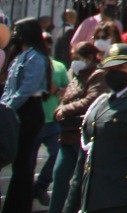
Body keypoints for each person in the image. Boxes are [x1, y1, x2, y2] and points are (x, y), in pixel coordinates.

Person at [66, 42, 127, 213]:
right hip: (94, 198)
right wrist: (70, 206)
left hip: (125, 199)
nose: (114, 72)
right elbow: (84, 160)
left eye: (121, 67)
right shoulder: (101, 103)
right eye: (110, 68)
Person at [3, 17, 52, 213]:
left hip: (28, 109)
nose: (13, 34)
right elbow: (10, 86)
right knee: (15, 159)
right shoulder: (20, 56)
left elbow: (27, 87)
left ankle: (18, 206)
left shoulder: (36, 57)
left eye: (17, 30)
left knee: (23, 161)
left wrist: (8, 106)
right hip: (15, 108)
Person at [50, 42, 105, 213]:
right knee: (59, 177)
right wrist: (61, 106)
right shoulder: (76, 75)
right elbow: (66, 96)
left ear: (89, 58)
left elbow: (92, 99)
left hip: (80, 137)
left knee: (78, 182)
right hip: (66, 135)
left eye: (77, 58)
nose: (74, 61)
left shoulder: (97, 75)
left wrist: (64, 109)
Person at [33, 32, 69, 208]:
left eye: (49, 42)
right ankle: (25, 191)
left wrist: (56, 90)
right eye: (43, 42)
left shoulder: (59, 67)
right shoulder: (31, 64)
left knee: (56, 154)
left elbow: (67, 90)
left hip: (52, 120)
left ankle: (40, 186)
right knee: (28, 159)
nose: (47, 45)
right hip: (34, 121)